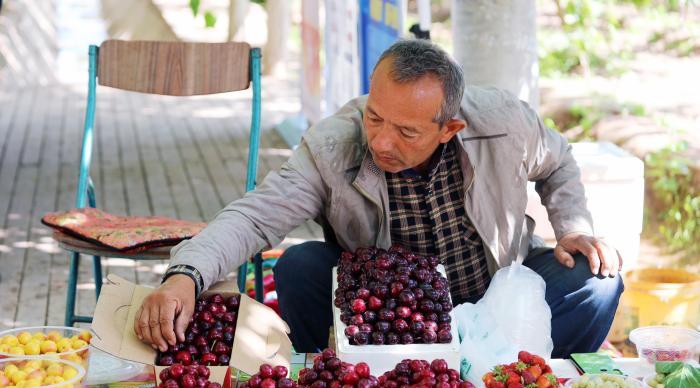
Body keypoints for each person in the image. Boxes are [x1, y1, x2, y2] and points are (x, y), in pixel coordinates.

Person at [134, 39, 623, 358]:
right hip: (386, 315)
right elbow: (254, 217)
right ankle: (333, 382)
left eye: (407, 130)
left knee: (598, 281)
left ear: (449, 128)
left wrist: (573, 227)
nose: (382, 143)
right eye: (374, 117)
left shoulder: (503, 123)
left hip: (497, 293)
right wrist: (185, 277)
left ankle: (526, 386)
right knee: (300, 266)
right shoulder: (332, 145)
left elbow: (558, 162)